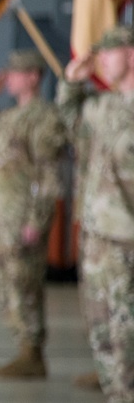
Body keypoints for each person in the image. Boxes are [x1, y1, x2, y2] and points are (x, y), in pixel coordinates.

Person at [57, 25, 134, 402]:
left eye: (109, 51)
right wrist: (72, 81)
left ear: (132, 55)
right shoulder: (106, 106)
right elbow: (70, 119)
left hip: (127, 239)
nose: (100, 59)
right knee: (103, 331)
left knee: (127, 332)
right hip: (99, 235)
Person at [0, 49, 66, 379]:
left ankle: (32, 352)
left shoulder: (45, 118)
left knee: (25, 285)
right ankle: (23, 348)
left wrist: (37, 219)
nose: (9, 79)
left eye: (16, 73)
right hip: (4, 213)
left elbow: (48, 174)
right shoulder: (7, 117)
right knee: (8, 287)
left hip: (24, 215)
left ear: (33, 77)